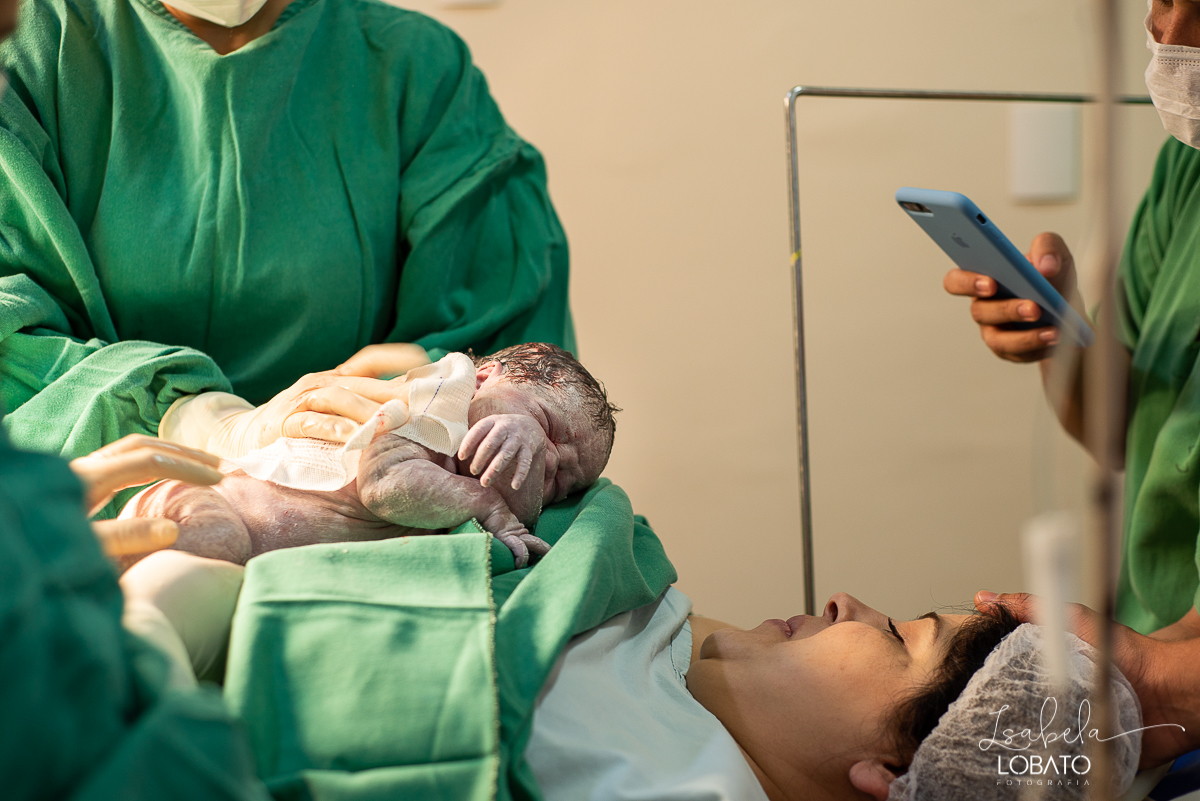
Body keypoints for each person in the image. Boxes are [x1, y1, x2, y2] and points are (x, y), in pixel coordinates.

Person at [0, 0, 573, 519]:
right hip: (99, 502)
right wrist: (203, 424)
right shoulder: (27, 50)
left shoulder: (416, 71)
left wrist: (430, 399)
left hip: (373, 508)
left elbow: (518, 356)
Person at [121, 343, 617, 567]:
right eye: (544, 423)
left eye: (564, 480)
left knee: (211, 591)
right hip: (214, 503)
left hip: (257, 559)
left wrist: (515, 497)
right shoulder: (425, 412)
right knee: (211, 549)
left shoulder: (483, 477)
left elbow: (521, 519)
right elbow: (385, 487)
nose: (547, 459)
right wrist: (484, 503)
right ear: (479, 379)